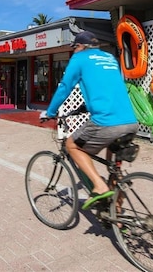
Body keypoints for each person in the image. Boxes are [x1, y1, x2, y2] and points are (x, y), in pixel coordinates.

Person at [40, 31, 139, 209]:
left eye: (75, 47)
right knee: (113, 167)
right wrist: (86, 107)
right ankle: (117, 213)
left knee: (72, 146)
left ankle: (99, 186)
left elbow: (64, 87)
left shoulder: (80, 59)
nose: (74, 51)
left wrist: (50, 111)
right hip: (130, 121)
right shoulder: (109, 58)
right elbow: (107, 88)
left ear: (81, 47)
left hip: (106, 122)